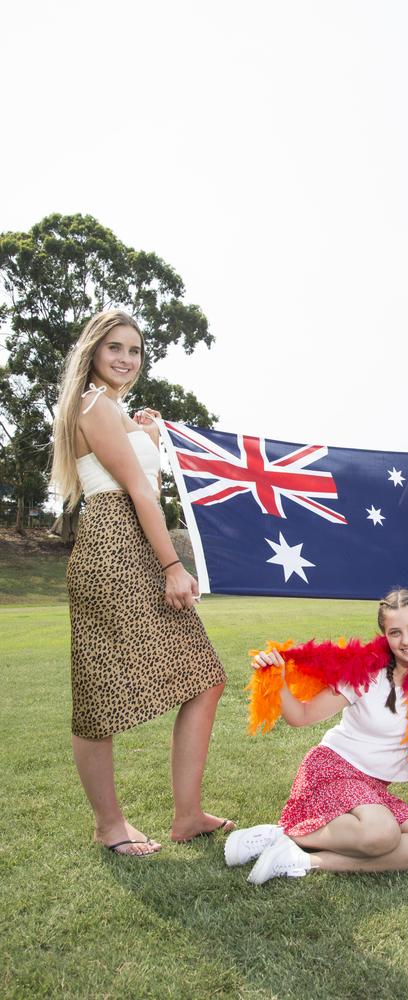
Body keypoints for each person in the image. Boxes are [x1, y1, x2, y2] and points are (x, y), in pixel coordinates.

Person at [51, 309, 233, 855]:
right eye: (115, 348)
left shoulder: (113, 409)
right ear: (93, 352)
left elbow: (139, 476)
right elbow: (138, 492)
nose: (126, 359)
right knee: (99, 696)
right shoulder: (93, 405)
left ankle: (187, 815)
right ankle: (110, 826)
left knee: (204, 678)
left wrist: (147, 431)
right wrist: (174, 566)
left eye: (134, 350)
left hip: (131, 544)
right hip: (113, 551)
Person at [224, 589, 408, 885]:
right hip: (333, 769)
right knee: (382, 834)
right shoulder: (366, 673)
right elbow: (302, 717)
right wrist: (279, 680)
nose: (407, 641)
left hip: (372, 790)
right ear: (384, 635)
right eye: (395, 632)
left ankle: (302, 859)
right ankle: (284, 831)